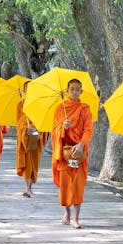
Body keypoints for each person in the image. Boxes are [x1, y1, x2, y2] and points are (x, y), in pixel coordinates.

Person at [51, 78, 93, 228]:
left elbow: (88, 129)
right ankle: (67, 213)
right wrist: (63, 127)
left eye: (77, 89)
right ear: (67, 91)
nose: (75, 92)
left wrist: (82, 144)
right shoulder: (59, 109)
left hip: (79, 152)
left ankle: (76, 218)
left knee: (77, 186)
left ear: (81, 91)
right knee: (65, 186)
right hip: (65, 153)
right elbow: (54, 132)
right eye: (72, 89)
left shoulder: (85, 109)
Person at [14, 81, 48, 198]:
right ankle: (27, 189)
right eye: (26, 89)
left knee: (34, 164)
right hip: (25, 139)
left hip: (36, 137)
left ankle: (30, 188)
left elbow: (43, 122)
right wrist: (25, 129)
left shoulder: (40, 105)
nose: (29, 91)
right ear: (23, 91)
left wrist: (35, 129)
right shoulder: (20, 104)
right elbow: (19, 123)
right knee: (27, 163)